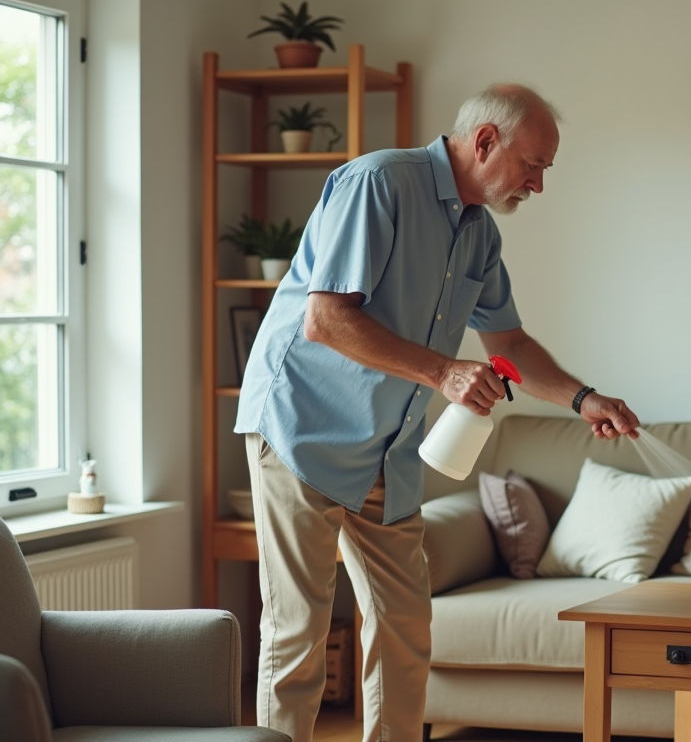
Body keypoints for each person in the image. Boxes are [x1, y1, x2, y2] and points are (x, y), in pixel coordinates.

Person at [233, 83, 640, 742]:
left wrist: (582, 398)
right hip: (301, 430)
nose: (538, 185)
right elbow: (326, 319)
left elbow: (507, 343)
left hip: (387, 451)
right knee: (299, 633)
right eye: (533, 165)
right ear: (485, 141)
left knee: (405, 630)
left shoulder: (477, 233)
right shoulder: (379, 184)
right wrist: (443, 371)